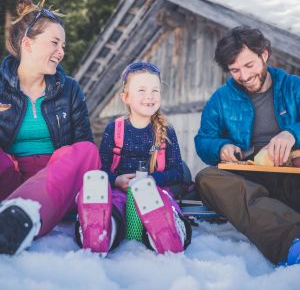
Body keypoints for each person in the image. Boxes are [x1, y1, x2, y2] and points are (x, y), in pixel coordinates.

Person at [0, 0, 100, 255]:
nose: (61, 52)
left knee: (86, 150)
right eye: (55, 43)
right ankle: (11, 215)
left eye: (63, 45)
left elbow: (83, 150)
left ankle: (20, 217)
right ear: (27, 44)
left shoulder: (69, 90)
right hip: (10, 179)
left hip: (58, 182)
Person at [194, 26, 300, 266]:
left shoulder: (294, 87)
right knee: (207, 178)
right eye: (235, 70)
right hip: (250, 180)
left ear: (264, 54)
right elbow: (203, 140)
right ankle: (293, 242)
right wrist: (221, 148)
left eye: (249, 65)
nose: (244, 76)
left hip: (293, 176)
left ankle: (273, 218)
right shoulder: (221, 99)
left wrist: (292, 133)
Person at [76, 61, 192, 256]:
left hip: (154, 191)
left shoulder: (166, 131)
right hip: (120, 189)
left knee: (164, 202)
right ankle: (102, 229)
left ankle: (169, 233)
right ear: (126, 97)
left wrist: (152, 180)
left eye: (155, 90)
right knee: (115, 206)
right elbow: (103, 169)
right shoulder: (114, 129)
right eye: (142, 90)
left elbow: (177, 172)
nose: (150, 96)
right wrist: (116, 181)